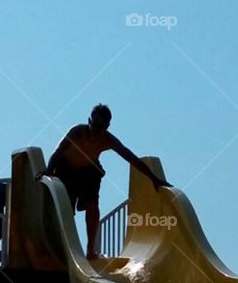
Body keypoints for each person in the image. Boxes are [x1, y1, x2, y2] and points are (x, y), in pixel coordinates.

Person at [38, 104, 169, 258]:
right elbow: (57, 152)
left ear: (107, 127)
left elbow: (131, 158)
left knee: (93, 205)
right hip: (66, 169)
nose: (95, 130)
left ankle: (90, 248)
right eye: (94, 124)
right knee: (66, 208)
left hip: (88, 172)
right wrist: (48, 170)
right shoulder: (77, 132)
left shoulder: (108, 140)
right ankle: (62, 244)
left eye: (100, 127)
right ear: (89, 121)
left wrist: (153, 178)